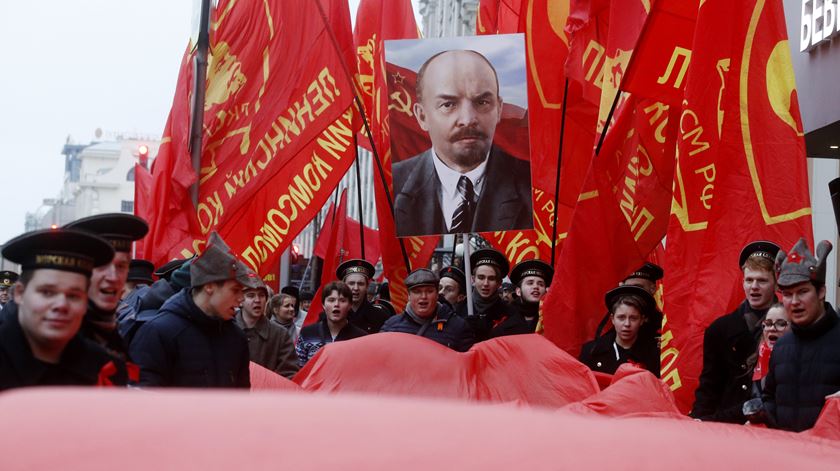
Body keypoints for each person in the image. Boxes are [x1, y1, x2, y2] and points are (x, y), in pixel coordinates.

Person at [392, 49, 532, 236]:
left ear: (499, 109)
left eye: (482, 102)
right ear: (422, 116)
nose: (467, 119)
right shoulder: (393, 186)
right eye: (448, 105)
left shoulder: (532, 188)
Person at [0, 228, 128, 389]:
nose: (61, 305)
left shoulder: (107, 369)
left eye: (73, 296)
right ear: (19, 293)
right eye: (47, 292)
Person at [129, 232, 260, 388]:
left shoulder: (236, 337)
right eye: (235, 290)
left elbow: (241, 400)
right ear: (209, 286)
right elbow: (143, 402)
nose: (241, 298)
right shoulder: (157, 332)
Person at [691, 241, 780, 424]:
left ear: (776, 283)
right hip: (729, 426)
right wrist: (698, 422)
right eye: (749, 280)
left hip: (773, 425)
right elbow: (710, 385)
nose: (754, 286)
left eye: (762, 280)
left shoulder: (790, 326)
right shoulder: (720, 330)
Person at [761, 238, 840, 432]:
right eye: (787, 294)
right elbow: (769, 397)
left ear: (821, 291)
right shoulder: (781, 345)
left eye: (802, 292)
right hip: (789, 455)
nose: (794, 301)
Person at [64, 213, 148, 360]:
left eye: (121, 266)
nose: (113, 277)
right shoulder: (47, 329)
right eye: (101, 265)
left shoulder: (122, 327)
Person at [381, 269, 474, 352]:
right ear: (408, 295)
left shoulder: (458, 327)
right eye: (417, 292)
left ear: (437, 294)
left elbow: (466, 366)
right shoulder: (391, 327)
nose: (423, 297)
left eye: (429, 291)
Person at [579, 285, 660, 377]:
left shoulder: (654, 355)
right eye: (621, 318)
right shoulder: (591, 351)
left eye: (633, 318)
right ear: (612, 319)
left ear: (642, 320)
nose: (627, 324)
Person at [235, 279, 298, 379]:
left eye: (261, 295)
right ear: (240, 301)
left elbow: (289, 373)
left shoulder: (280, 335)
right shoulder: (223, 329)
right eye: (251, 295)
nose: (257, 300)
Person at [296, 281, 366, 367]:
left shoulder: (361, 338)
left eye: (342, 301)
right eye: (331, 300)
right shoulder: (307, 333)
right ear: (324, 305)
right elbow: (298, 370)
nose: (336, 304)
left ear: (349, 305)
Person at [455, 248, 511, 341]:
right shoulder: (459, 310)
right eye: (481, 277)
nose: (485, 283)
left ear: (499, 283)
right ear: (473, 279)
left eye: (491, 278)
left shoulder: (508, 313)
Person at [491, 259, 553, 338]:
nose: (536, 287)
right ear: (518, 291)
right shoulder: (501, 328)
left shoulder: (553, 324)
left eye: (540, 284)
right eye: (530, 283)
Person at [337, 259, 390, 334]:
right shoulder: (333, 315)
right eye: (351, 283)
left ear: (367, 287)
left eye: (360, 284)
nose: (355, 288)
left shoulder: (380, 317)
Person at [749, 303, 790, 398]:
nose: (772, 328)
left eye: (781, 324)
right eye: (768, 323)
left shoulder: (798, 363)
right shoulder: (752, 362)